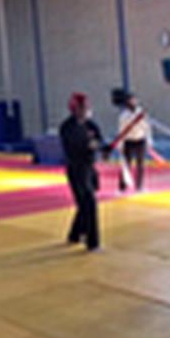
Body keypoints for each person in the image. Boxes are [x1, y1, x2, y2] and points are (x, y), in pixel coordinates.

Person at [60, 93, 106, 252]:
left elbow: (100, 140)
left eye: (86, 107)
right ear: (75, 109)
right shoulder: (67, 127)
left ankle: (74, 235)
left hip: (90, 167)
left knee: (83, 204)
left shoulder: (91, 125)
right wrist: (88, 145)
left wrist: (102, 148)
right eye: (83, 107)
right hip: (76, 169)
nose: (86, 110)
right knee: (89, 203)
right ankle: (93, 243)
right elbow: (72, 146)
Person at [114, 88, 152, 192]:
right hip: (129, 141)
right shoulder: (124, 116)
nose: (133, 101)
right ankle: (122, 187)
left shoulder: (142, 113)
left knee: (141, 164)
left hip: (140, 140)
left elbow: (147, 127)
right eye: (131, 100)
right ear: (127, 102)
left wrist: (149, 140)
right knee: (126, 164)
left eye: (134, 99)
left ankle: (139, 187)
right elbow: (121, 130)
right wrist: (120, 144)